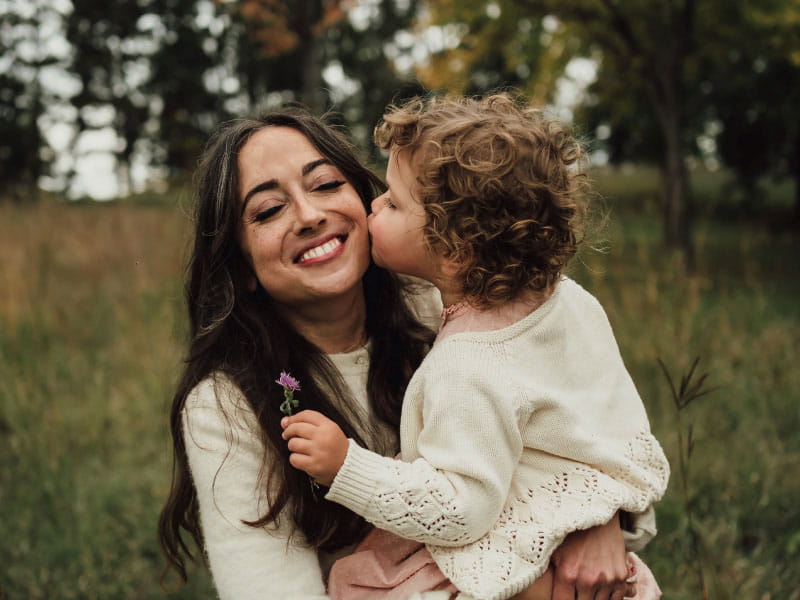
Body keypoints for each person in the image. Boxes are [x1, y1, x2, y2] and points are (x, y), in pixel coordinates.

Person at [158, 106, 660, 600]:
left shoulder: (456, 306)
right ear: (241, 265)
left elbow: (588, 423)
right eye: (268, 210)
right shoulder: (224, 406)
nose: (310, 216)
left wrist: (600, 518)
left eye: (326, 184)